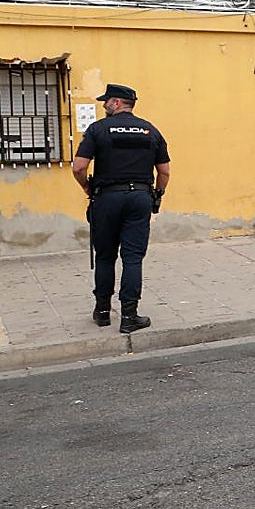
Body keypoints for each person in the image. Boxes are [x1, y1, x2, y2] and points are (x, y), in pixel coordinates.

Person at [72, 84, 172, 334]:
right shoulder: (151, 130)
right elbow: (164, 171)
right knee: (133, 257)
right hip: (139, 198)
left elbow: (78, 167)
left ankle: (103, 312)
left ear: (117, 103)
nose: (104, 105)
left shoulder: (98, 130)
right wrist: (157, 195)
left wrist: (87, 188)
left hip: (107, 198)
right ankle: (129, 316)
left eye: (107, 101)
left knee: (105, 255)